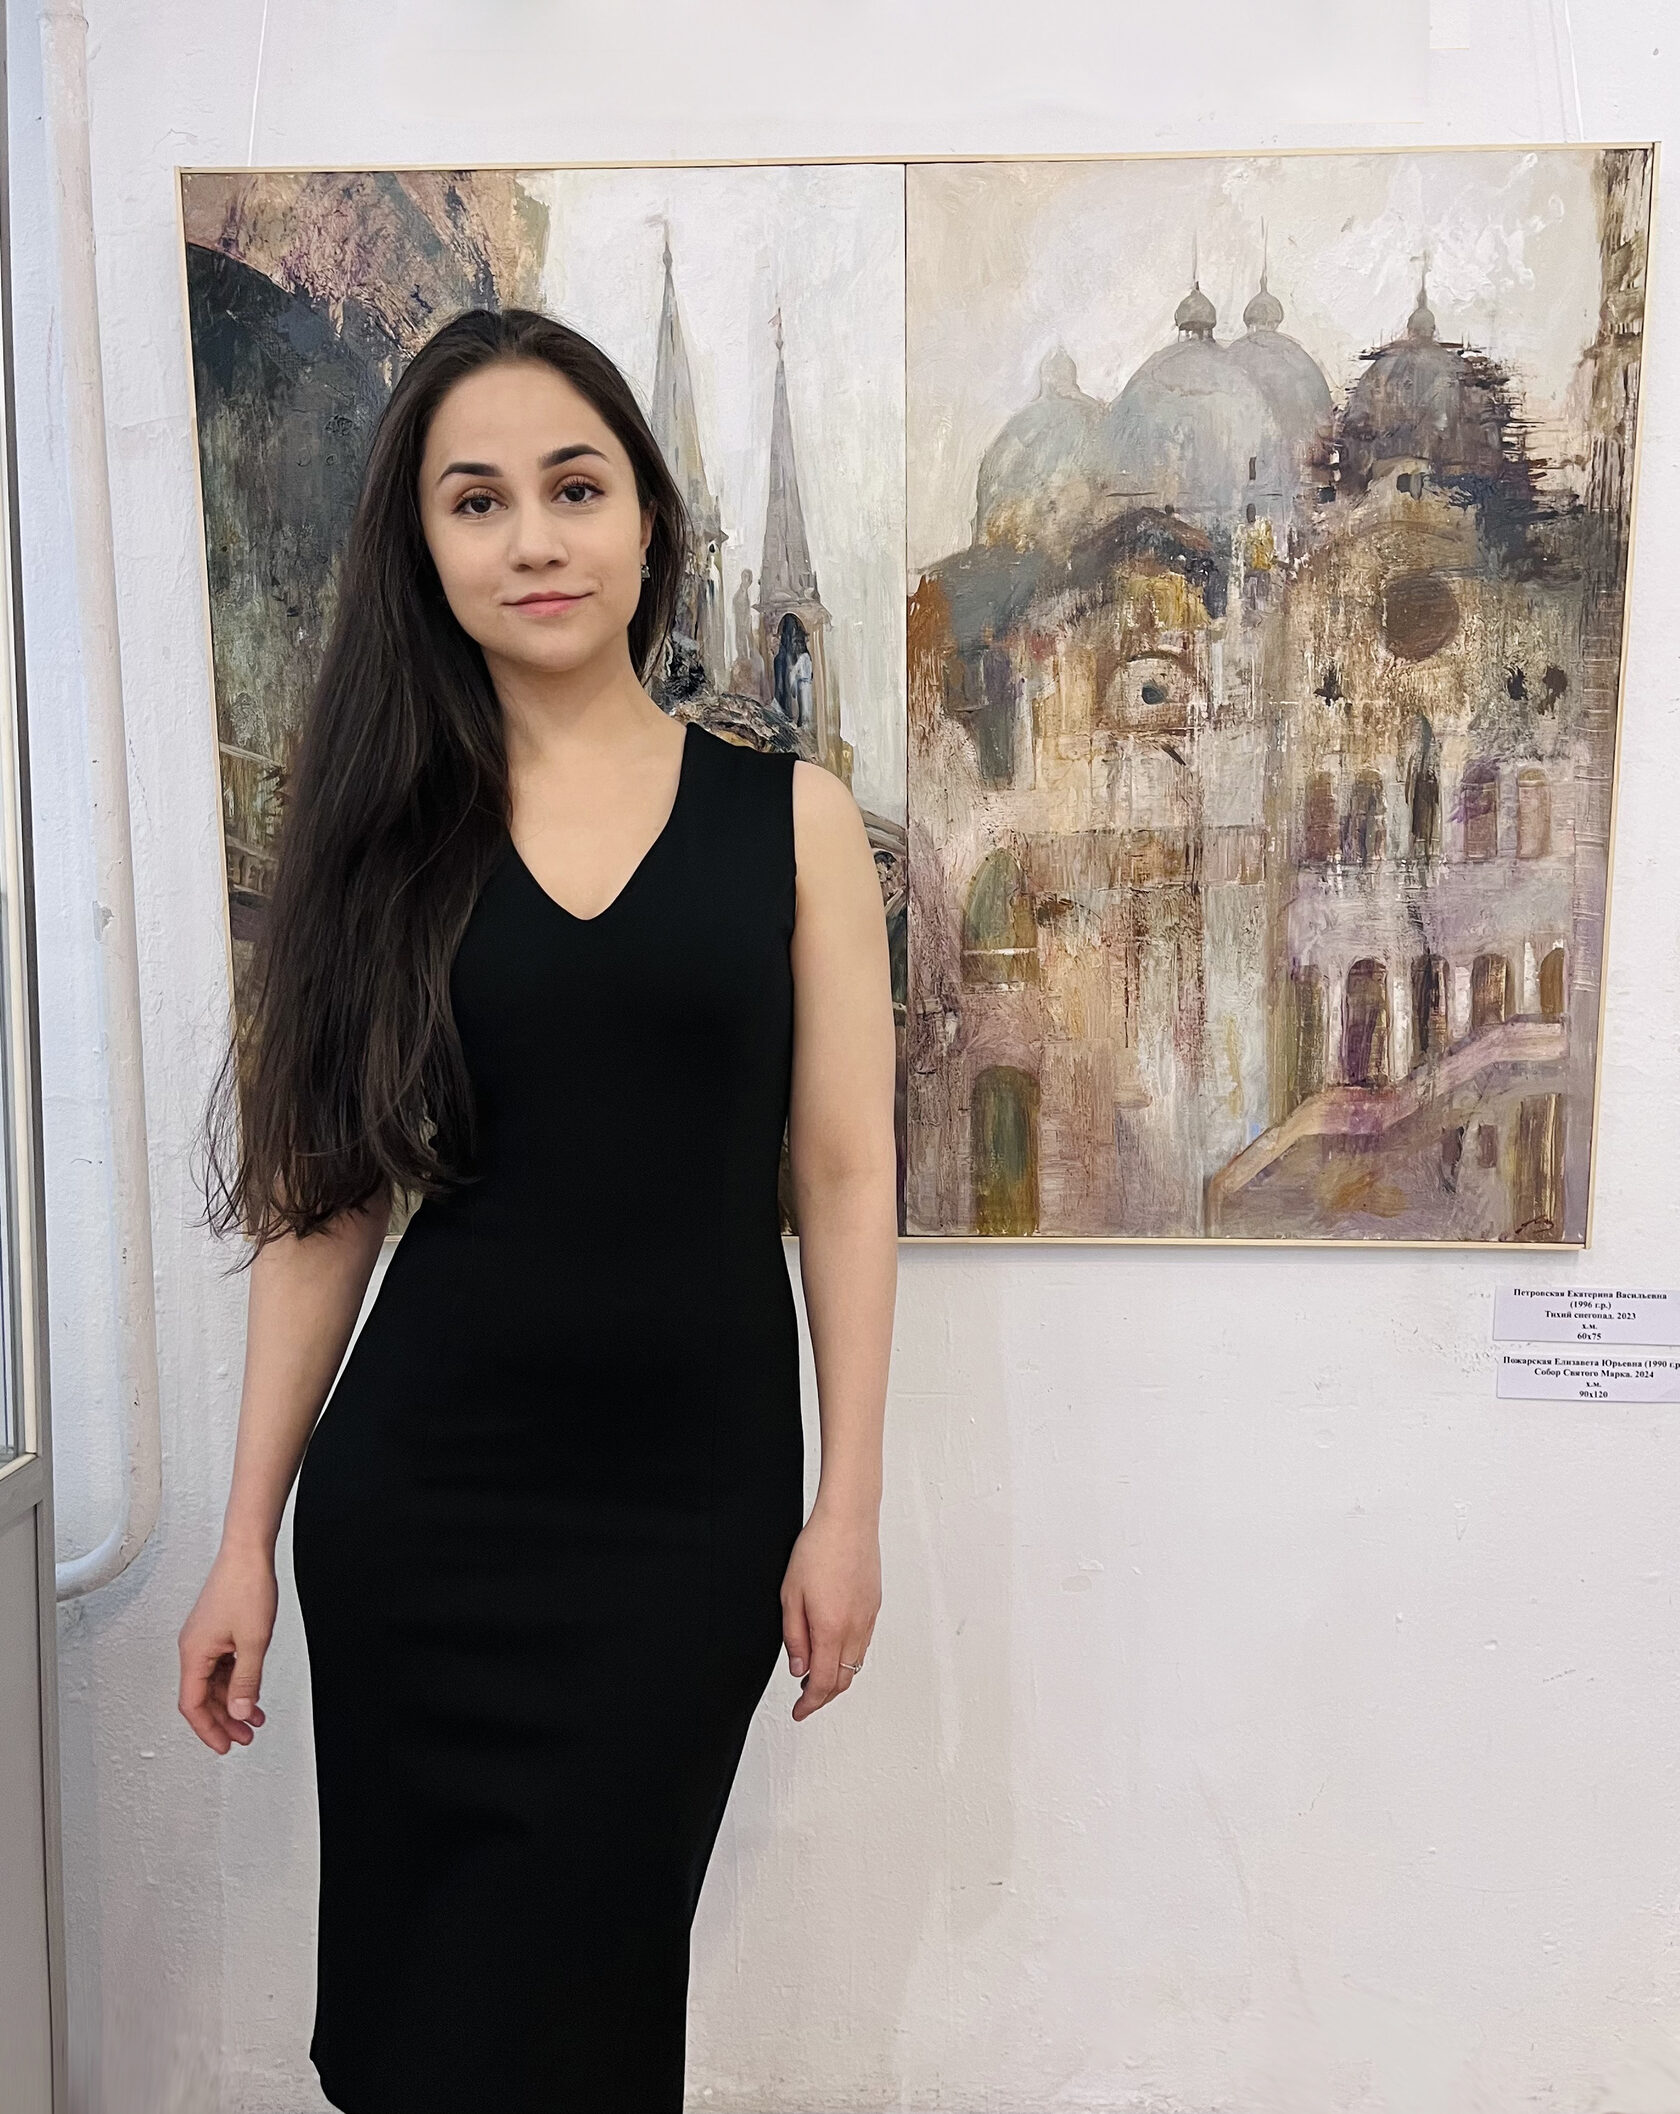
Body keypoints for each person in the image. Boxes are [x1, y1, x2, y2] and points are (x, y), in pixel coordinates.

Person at [176, 305, 898, 2111]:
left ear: (647, 516)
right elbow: (325, 1203)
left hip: (690, 1514)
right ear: (426, 548)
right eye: (476, 500)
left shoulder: (794, 821)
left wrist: (849, 1504)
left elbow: (843, 1174)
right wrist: (244, 1532)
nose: (533, 539)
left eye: (574, 488)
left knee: (590, 2010)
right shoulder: (383, 833)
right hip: (425, 1513)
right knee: (429, 2029)